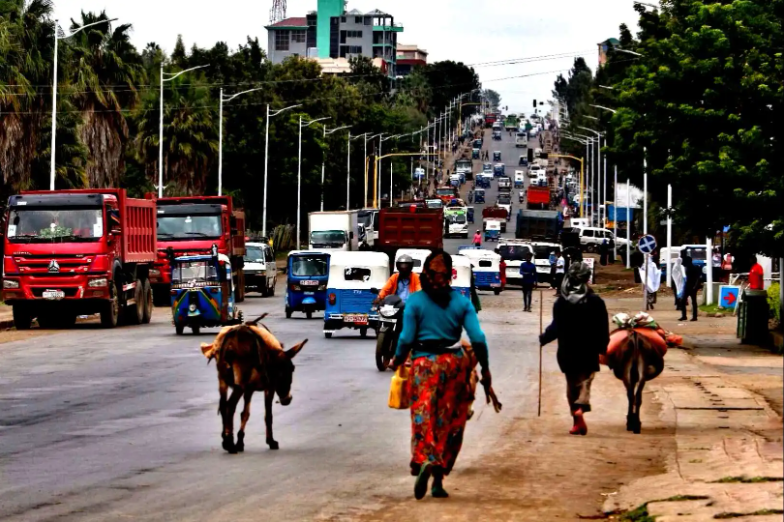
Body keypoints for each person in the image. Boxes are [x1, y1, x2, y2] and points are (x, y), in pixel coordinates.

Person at [392, 250, 491, 500]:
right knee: (450, 420)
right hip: (455, 364)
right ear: (450, 275)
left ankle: (426, 458)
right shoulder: (461, 303)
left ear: (425, 273)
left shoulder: (414, 302)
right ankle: (438, 480)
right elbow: (478, 338)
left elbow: (405, 338)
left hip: (424, 364)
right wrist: (486, 369)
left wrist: (396, 359)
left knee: (424, 415)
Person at [539, 262, 610, 435]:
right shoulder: (596, 302)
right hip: (589, 350)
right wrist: (603, 349)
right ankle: (582, 404)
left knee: (571, 385)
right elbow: (603, 328)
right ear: (587, 278)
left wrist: (544, 338)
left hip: (566, 351)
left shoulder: (561, 302)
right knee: (586, 378)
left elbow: (556, 327)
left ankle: (576, 420)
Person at [680, 255, 702, 321]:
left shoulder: (694, 268)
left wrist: (695, 286)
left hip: (692, 286)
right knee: (683, 301)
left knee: (693, 302)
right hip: (687, 286)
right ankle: (684, 316)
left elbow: (698, 278)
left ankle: (694, 317)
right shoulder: (687, 268)